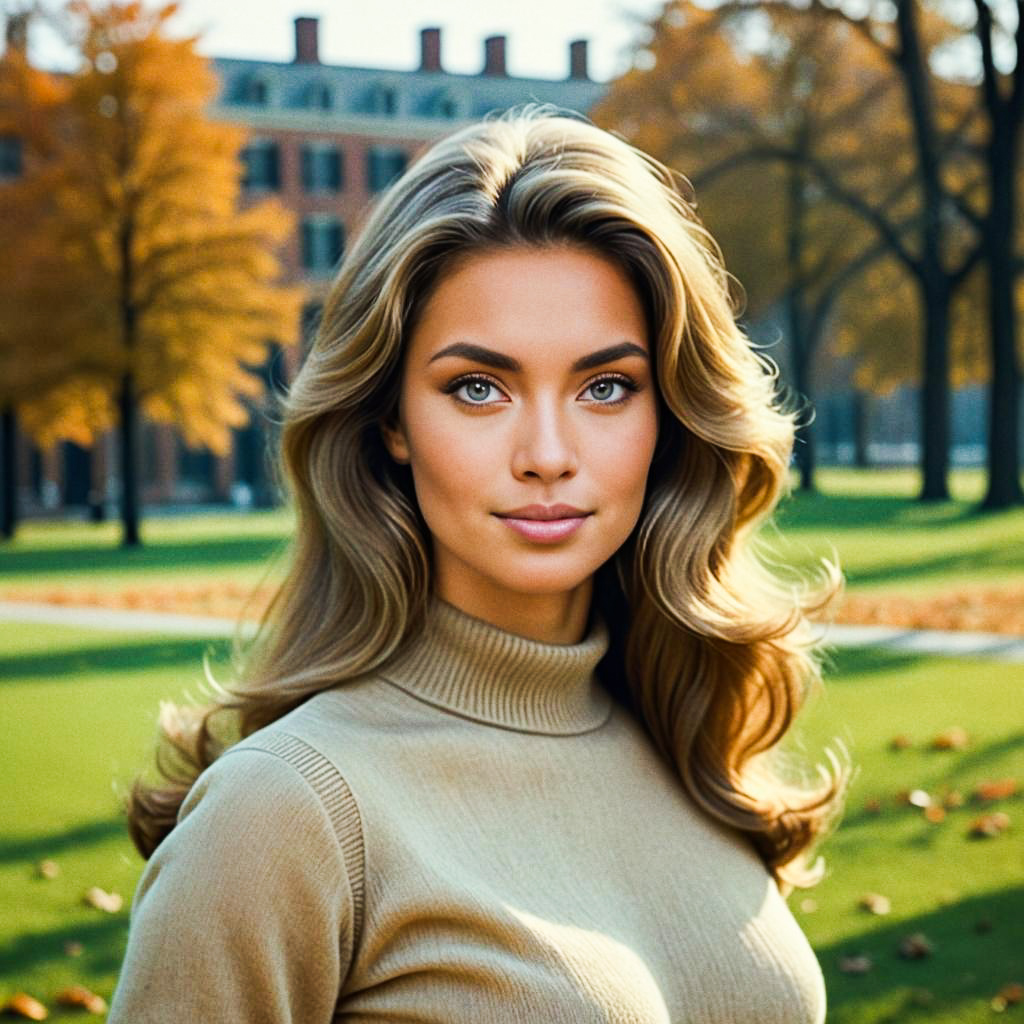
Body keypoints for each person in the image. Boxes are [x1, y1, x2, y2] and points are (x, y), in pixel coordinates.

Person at [108, 105, 849, 1023]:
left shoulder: (691, 749)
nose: (546, 452)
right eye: (478, 388)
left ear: (669, 419)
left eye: (605, 386)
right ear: (391, 423)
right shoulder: (287, 815)